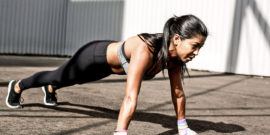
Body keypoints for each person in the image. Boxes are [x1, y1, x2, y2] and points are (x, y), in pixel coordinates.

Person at [6, 14, 208, 135]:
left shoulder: (173, 60)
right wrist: (121, 132)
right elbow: (130, 96)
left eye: (201, 47)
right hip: (93, 56)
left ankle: (52, 88)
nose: (197, 52)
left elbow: (178, 93)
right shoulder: (146, 49)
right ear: (177, 39)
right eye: (195, 46)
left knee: (73, 80)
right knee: (58, 75)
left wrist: (183, 128)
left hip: (106, 69)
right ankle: (17, 86)